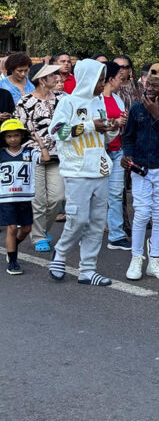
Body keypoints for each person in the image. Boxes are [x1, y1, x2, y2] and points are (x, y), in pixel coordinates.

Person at [48, 59, 119, 286]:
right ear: (88, 79)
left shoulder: (99, 102)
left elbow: (102, 137)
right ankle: (60, 253)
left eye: (103, 80)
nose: (102, 84)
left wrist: (112, 129)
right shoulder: (68, 102)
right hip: (77, 171)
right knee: (77, 219)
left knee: (97, 223)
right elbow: (56, 132)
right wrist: (90, 125)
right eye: (99, 80)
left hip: (100, 169)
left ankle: (88, 269)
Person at [121, 64, 159, 281]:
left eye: (155, 86)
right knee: (141, 213)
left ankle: (155, 259)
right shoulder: (137, 108)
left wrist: (157, 115)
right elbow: (128, 137)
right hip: (141, 168)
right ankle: (136, 258)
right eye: (148, 84)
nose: (149, 89)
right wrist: (127, 155)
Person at [15, 64, 64, 252]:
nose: (57, 77)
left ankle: (42, 230)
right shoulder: (25, 102)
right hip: (33, 156)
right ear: (42, 80)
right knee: (38, 200)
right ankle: (39, 238)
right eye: (52, 75)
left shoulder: (62, 98)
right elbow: (19, 132)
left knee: (57, 197)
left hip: (58, 156)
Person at [1, 119, 49, 274]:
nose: (13, 139)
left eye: (16, 135)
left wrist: (39, 141)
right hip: (6, 197)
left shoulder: (29, 152)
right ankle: (12, 262)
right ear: (4, 138)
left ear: (22, 135)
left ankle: (12, 247)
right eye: (9, 136)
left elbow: (46, 158)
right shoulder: (1, 154)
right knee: (12, 227)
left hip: (24, 196)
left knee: (27, 229)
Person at [99, 62, 130, 251]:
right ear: (110, 79)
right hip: (100, 152)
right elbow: (95, 124)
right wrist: (115, 123)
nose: (121, 81)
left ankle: (116, 235)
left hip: (117, 150)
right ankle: (88, 232)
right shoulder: (95, 99)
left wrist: (121, 122)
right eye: (119, 77)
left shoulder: (117, 99)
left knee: (116, 193)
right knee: (96, 194)